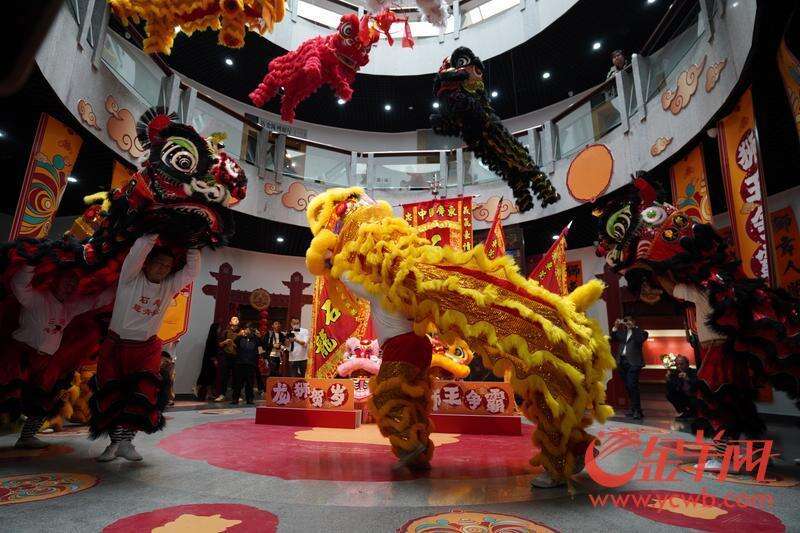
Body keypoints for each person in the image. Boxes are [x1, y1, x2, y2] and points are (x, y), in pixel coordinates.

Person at [91, 234, 200, 462]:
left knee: (142, 396)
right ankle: (113, 444)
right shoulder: (130, 278)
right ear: (148, 262)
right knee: (113, 396)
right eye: (158, 263)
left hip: (146, 348)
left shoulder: (169, 286)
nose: (162, 269)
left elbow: (191, 272)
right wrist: (153, 230)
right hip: (116, 345)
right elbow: (137, 251)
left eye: (167, 266)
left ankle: (127, 443)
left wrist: (193, 244)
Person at [0, 267, 114, 448]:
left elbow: (96, 301)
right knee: (7, 395)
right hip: (20, 357)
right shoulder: (37, 298)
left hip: (46, 362)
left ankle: (26, 437)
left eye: (74, 283)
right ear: (54, 280)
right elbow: (18, 285)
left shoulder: (70, 306)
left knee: (46, 398)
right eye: (67, 281)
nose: (70, 286)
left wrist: (121, 283)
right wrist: (30, 264)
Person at [611, 316, 648, 420]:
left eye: (629, 321)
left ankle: (638, 411)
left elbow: (639, 339)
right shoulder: (623, 333)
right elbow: (613, 338)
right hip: (622, 362)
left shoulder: (642, 333)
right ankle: (633, 409)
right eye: (626, 321)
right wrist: (616, 326)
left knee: (632, 385)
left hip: (634, 363)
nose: (627, 323)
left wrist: (634, 328)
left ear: (634, 322)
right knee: (628, 386)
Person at [231, 322, 261, 405]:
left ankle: (250, 399)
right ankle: (235, 399)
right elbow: (234, 343)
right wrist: (239, 335)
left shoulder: (255, 338)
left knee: (250, 383)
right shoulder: (240, 337)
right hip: (240, 363)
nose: (249, 330)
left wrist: (259, 337)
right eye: (248, 328)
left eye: (251, 329)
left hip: (251, 363)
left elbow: (261, 347)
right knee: (238, 382)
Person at [214, 316, 240, 402]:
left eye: (236, 324)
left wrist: (234, 344)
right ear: (230, 323)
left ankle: (236, 395)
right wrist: (225, 342)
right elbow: (219, 344)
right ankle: (222, 394)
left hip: (236, 357)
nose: (234, 326)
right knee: (224, 376)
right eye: (233, 323)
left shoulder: (240, 333)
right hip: (226, 356)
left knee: (236, 377)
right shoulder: (225, 332)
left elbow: (241, 347)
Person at [666, 354, 698, 419]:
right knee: (669, 394)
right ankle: (685, 412)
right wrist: (668, 380)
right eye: (677, 364)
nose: (679, 366)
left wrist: (687, 379)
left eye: (681, 364)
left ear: (687, 364)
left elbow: (697, 384)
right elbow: (671, 389)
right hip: (683, 396)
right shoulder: (675, 374)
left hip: (694, 395)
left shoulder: (694, 372)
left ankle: (693, 412)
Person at [195, 323, 220, 401]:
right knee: (207, 376)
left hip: (208, 360)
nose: (220, 330)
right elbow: (212, 350)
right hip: (210, 361)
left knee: (210, 377)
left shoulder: (212, 337)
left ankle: (208, 394)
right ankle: (198, 389)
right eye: (219, 328)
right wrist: (214, 359)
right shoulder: (213, 338)